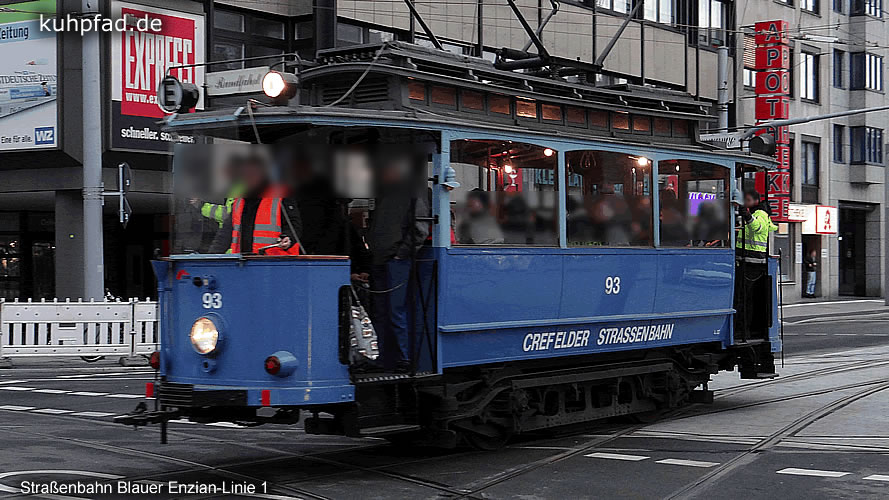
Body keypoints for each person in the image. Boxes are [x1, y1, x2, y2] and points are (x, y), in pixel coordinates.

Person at [367, 156, 430, 373]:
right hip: (382, 258)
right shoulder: (387, 194)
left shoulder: (412, 192)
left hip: (395, 260)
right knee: (381, 311)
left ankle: (404, 357)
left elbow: (420, 229)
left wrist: (401, 255)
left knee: (395, 311)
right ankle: (383, 357)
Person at [208, 155, 302, 255]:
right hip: (244, 262)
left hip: (275, 262)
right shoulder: (239, 201)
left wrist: (288, 237)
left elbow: (294, 225)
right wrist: (211, 258)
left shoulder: (281, 196)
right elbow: (225, 234)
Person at [734, 188, 778, 337]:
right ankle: (743, 328)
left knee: (744, 297)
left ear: (755, 201)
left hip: (753, 262)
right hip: (747, 260)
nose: (745, 203)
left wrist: (746, 215)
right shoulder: (756, 213)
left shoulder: (761, 214)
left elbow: (756, 227)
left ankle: (743, 329)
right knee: (745, 297)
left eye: (747, 200)